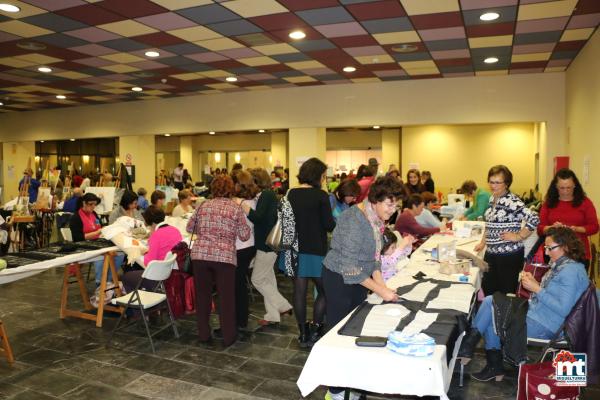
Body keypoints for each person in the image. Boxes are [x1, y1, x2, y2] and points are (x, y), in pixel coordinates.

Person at [459, 227, 589, 382]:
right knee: (492, 307)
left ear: (566, 246)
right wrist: (535, 285)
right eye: (545, 248)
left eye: (550, 248)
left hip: (549, 326)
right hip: (540, 315)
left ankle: (475, 350)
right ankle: (484, 359)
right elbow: (550, 296)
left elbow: (564, 309)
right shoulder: (563, 266)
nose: (546, 253)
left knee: (491, 307)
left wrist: (537, 289)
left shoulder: (571, 272)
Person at [322, 176, 404, 400]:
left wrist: (381, 284)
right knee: (339, 335)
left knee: (355, 332)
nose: (393, 210)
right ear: (376, 200)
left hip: (358, 278)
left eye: (396, 205)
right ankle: (335, 390)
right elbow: (349, 267)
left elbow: (373, 258)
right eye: (390, 204)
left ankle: (352, 382)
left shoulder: (375, 218)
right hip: (339, 278)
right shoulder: (353, 219)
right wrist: (381, 291)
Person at [187, 175, 251, 347]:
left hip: (200, 256)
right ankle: (229, 337)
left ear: (213, 188)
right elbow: (245, 235)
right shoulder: (235, 208)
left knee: (202, 297)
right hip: (224, 257)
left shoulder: (202, 205)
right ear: (231, 189)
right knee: (226, 298)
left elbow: (189, 227)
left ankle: (204, 334)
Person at [278, 157, 335, 347]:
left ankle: (302, 333)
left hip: (293, 250)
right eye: (323, 175)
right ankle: (317, 327)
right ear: (317, 175)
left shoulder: (290, 193)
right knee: (326, 290)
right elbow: (328, 225)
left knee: (299, 292)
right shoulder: (321, 196)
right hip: (315, 250)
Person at [474, 165, 540, 295]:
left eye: (498, 182)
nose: (493, 186)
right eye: (491, 182)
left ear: (506, 184)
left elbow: (534, 219)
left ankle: (502, 316)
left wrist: (518, 236)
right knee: (488, 290)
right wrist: (483, 242)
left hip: (508, 256)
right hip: (492, 254)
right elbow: (489, 223)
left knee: (505, 295)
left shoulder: (513, 201)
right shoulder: (493, 198)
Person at [245, 168, 292, 326]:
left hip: (266, 246)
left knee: (256, 279)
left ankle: (283, 305)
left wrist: (245, 208)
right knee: (268, 281)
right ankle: (272, 315)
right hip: (267, 244)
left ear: (256, 181)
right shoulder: (268, 194)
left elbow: (258, 218)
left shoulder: (266, 195)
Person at [538, 168, 598, 270]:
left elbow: (594, 227)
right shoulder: (548, 203)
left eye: (569, 188)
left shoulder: (585, 202)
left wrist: (576, 229)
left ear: (575, 185)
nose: (565, 191)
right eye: (562, 188)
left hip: (578, 253)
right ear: (556, 186)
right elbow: (540, 229)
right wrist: (552, 228)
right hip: (553, 254)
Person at [121, 206, 182, 292]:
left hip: (159, 277)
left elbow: (148, 262)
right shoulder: (175, 230)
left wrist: (142, 253)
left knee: (126, 276)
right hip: (173, 274)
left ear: (151, 222)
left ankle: (135, 303)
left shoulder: (156, 235)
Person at [69, 192, 124, 286]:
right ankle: (100, 282)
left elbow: (100, 226)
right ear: (83, 203)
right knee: (102, 255)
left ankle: (108, 279)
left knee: (119, 253)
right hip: (83, 245)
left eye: (95, 204)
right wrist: (97, 233)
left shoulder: (93, 213)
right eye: (90, 204)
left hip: (98, 242)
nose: (93, 206)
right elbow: (78, 238)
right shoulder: (76, 217)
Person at [231, 170, 258, 331]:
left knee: (236, 285)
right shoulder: (252, 201)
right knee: (239, 283)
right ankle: (241, 318)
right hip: (249, 246)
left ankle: (239, 320)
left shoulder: (239, 203)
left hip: (240, 246)